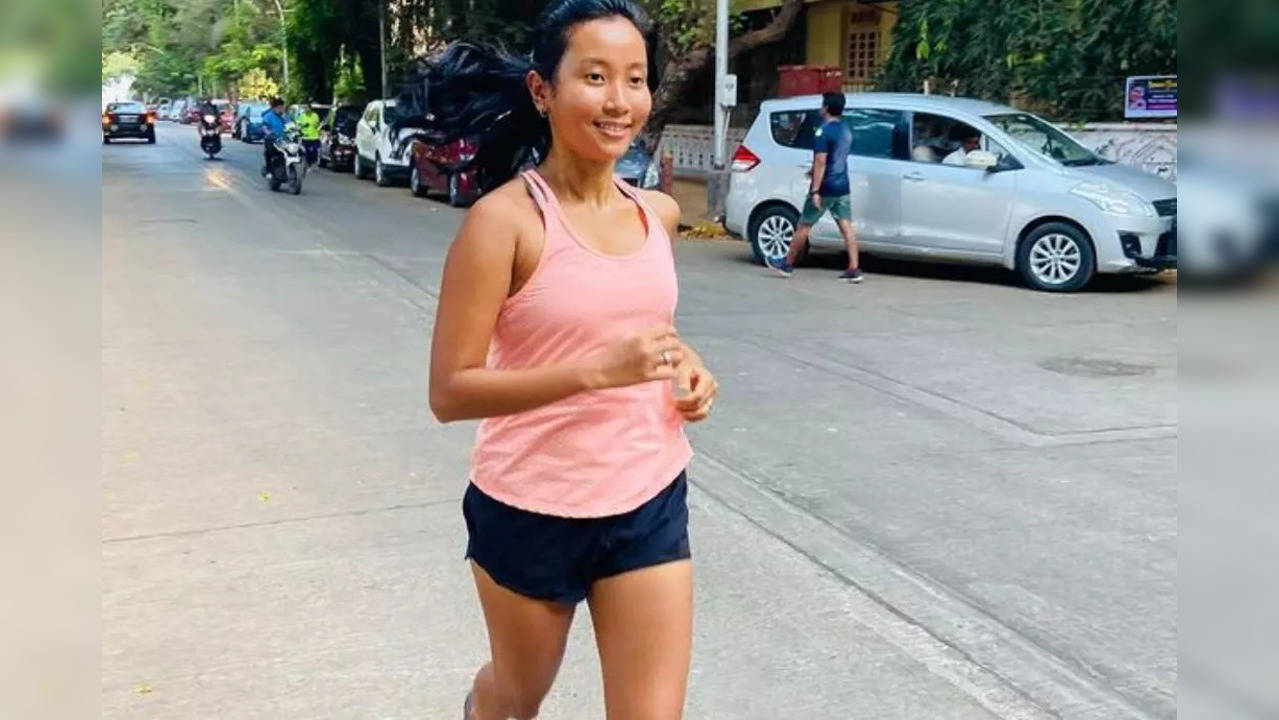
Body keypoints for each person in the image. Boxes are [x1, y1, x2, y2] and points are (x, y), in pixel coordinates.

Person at [423, 2, 719, 718]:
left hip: (646, 494)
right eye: (593, 76)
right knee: (516, 696)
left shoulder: (658, 213)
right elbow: (450, 392)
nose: (618, 101)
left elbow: (644, 326)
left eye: (634, 79)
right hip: (531, 507)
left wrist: (688, 369)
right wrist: (594, 372)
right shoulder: (504, 223)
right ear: (541, 91)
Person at [766, 91, 862, 282]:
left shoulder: (822, 131)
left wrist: (815, 190)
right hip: (842, 185)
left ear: (826, 108)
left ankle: (787, 264)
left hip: (825, 186)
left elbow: (821, 160)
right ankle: (854, 268)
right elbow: (837, 156)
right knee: (846, 226)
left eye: (822, 104)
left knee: (804, 225)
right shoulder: (845, 130)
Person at [259, 97, 288, 177]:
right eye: (280, 108)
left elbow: (290, 125)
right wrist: (267, 132)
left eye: (282, 107)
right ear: (274, 108)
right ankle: (268, 170)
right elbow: (264, 126)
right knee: (269, 153)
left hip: (283, 140)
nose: (281, 109)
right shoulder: (268, 116)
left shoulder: (285, 117)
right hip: (271, 140)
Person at [297, 101, 322, 166]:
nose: (306, 110)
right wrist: (303, 126)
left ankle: (312, 161)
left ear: (311, 109)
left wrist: (319, 130)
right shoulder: (302, 116)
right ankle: (307, 162)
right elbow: (299, 124)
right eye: (305, 109)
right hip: (305, 137)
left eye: (308, 108)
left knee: (314, 152)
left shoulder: (315, 115)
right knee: (306, 152)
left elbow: (317, 124)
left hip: (314, 137)